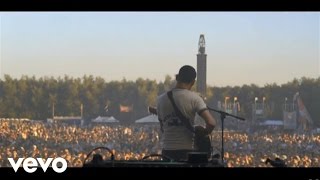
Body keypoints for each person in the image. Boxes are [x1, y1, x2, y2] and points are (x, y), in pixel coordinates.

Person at [156, 65, 217, 161]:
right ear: (193, 82)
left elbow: (162, 127)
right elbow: (211, 123)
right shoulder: (194, 98)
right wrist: (203, 133)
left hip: (167, 150)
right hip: (187, 150)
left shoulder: (160, 99)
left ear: (177, 77)